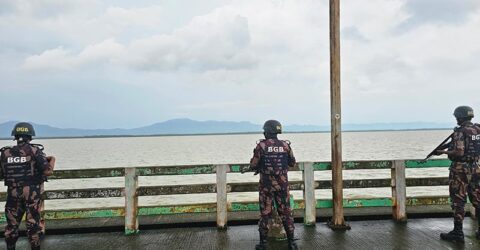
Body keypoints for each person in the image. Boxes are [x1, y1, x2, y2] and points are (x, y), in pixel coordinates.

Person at [242, 120, 298, 250]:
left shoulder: (261, 146)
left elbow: (254, 164)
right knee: (286, 212)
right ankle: (292, 243)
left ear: (267, 131)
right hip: (282, 185)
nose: (263, 132)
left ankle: (263, 244)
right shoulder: (285, 145)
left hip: (266, 185)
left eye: (264, 130)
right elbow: (292, 163)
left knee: (265, 213)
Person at [0, 122, 55, 250]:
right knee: (33, 226)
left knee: (11, 226)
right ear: (30, 136)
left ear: (15, 136)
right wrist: (52, 159)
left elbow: (1, 173)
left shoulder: (5, 153)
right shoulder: (35, 151)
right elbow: (48, 171)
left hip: (13, 193)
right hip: (32, 193)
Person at [435, 106, 480, 242]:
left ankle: (458, 233)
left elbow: (459, 152)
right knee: (478, 200)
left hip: (460, 171)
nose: (456, 119)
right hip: (476, 168)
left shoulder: (460, 131)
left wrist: (442, 152)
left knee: (458, 201)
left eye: (456, 117)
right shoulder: (478, 129)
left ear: (459, 117)